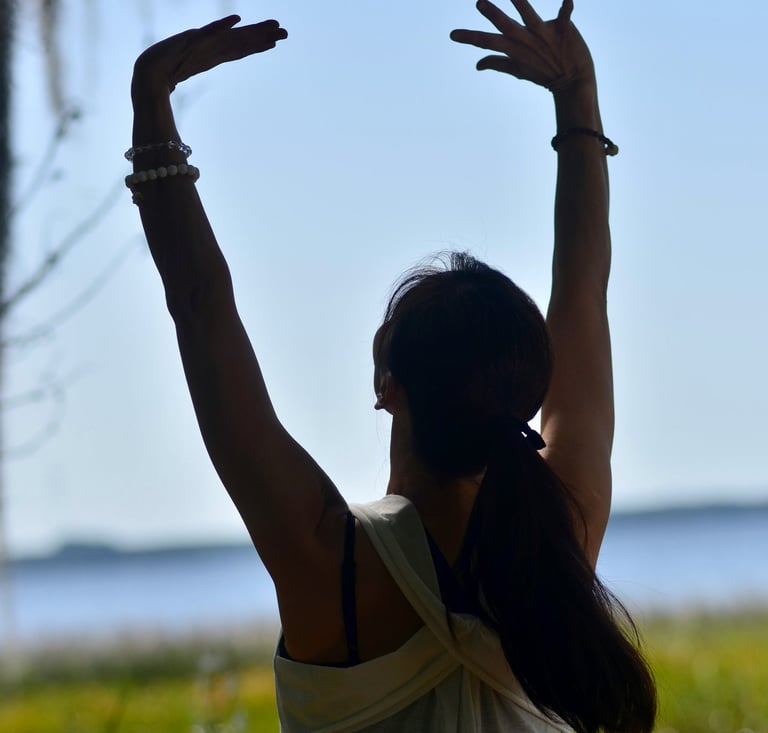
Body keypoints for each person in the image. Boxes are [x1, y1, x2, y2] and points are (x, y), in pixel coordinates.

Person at [127, 1, 656, 731]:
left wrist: (152, 103)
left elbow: (199, 304)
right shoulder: (559, 539)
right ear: (529, 391)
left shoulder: (330, 563)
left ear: (388, 386)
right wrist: (578, 99)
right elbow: (583, 292)